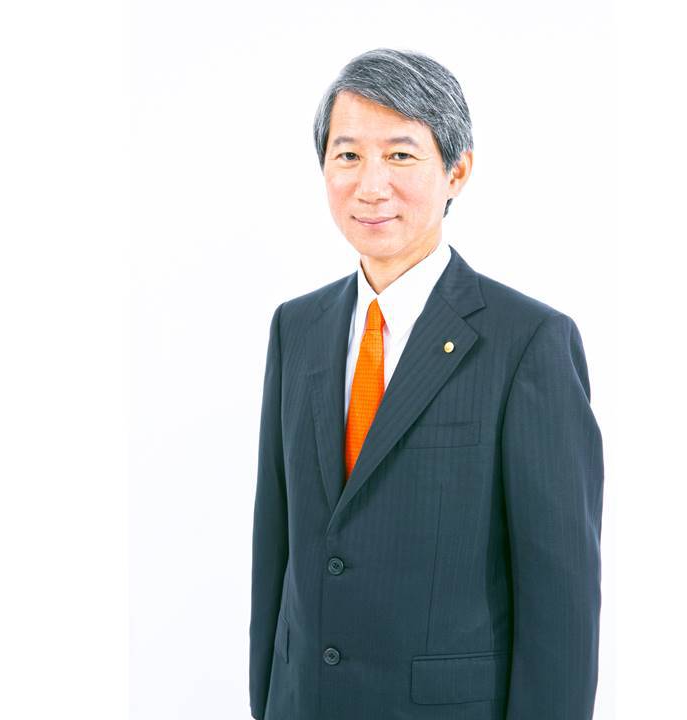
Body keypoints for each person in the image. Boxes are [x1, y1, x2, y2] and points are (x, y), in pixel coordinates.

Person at [249, 47, 604, 720]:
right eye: (348, 155)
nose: (370, 185)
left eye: (401, 155)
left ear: (456, 171)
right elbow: (276, 550)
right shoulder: (296, 328)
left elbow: (561, 603)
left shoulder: (527, 342)